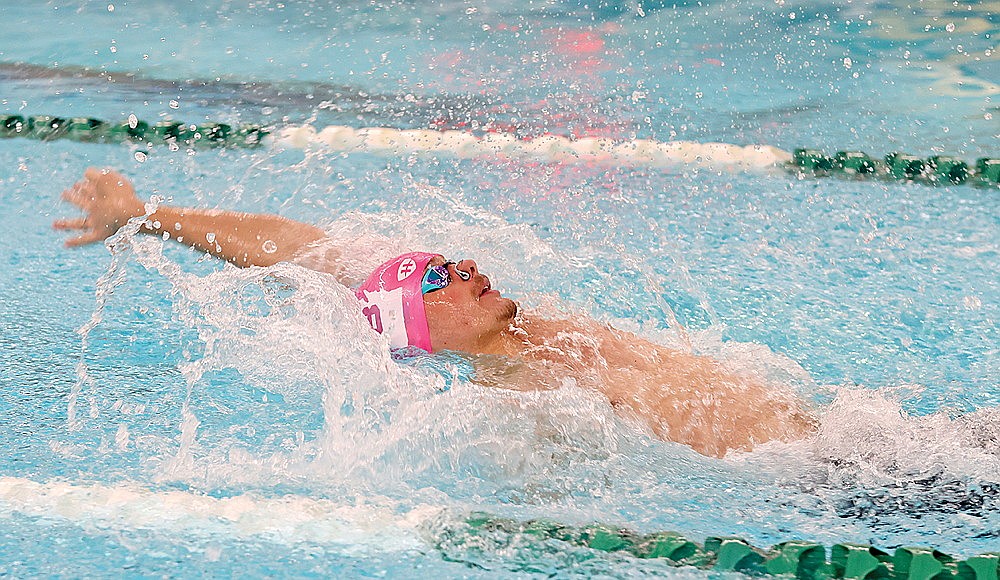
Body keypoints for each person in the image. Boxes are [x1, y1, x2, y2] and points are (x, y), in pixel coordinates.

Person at [55, 168, 817, 458]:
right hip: (829, 485)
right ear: (419, 332)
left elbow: (297, 249)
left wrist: (149, 212)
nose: (467, 267)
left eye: (448, 262)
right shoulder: (524, 402)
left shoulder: (539, 327)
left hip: (849, 436)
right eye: (438, 279)